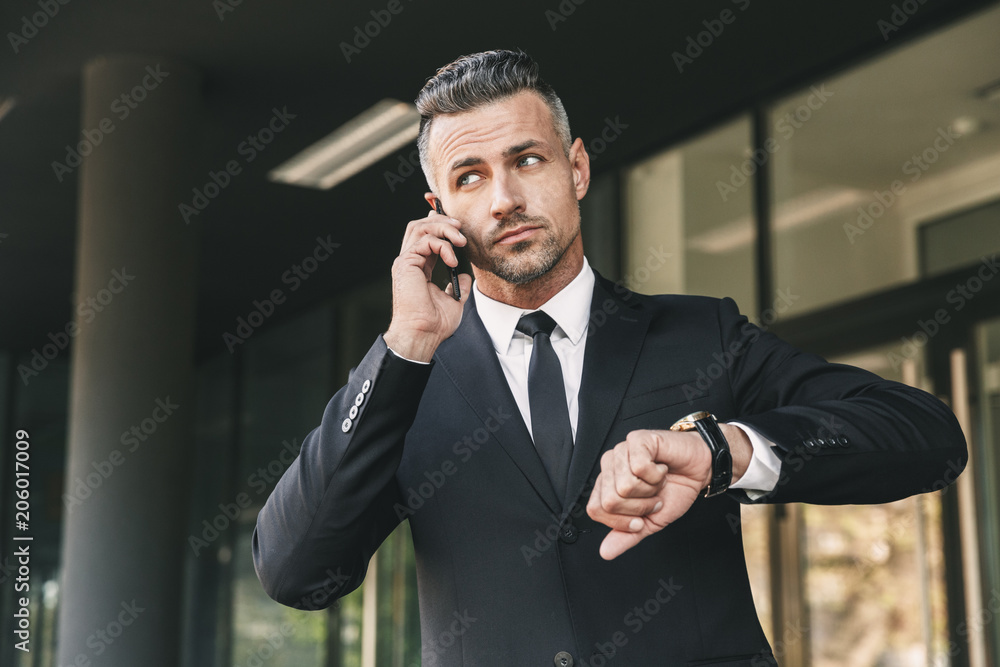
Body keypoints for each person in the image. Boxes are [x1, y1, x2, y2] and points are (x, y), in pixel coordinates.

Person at [253, 49, 967, 666]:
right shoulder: (408, 380)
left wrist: (724, 452)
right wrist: (404, 345)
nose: (504, 198)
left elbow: (927, 438)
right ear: (439, 209)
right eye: (469, 177)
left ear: (578, 167)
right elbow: (294, 570)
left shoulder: (700, 335)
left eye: (526, 160)